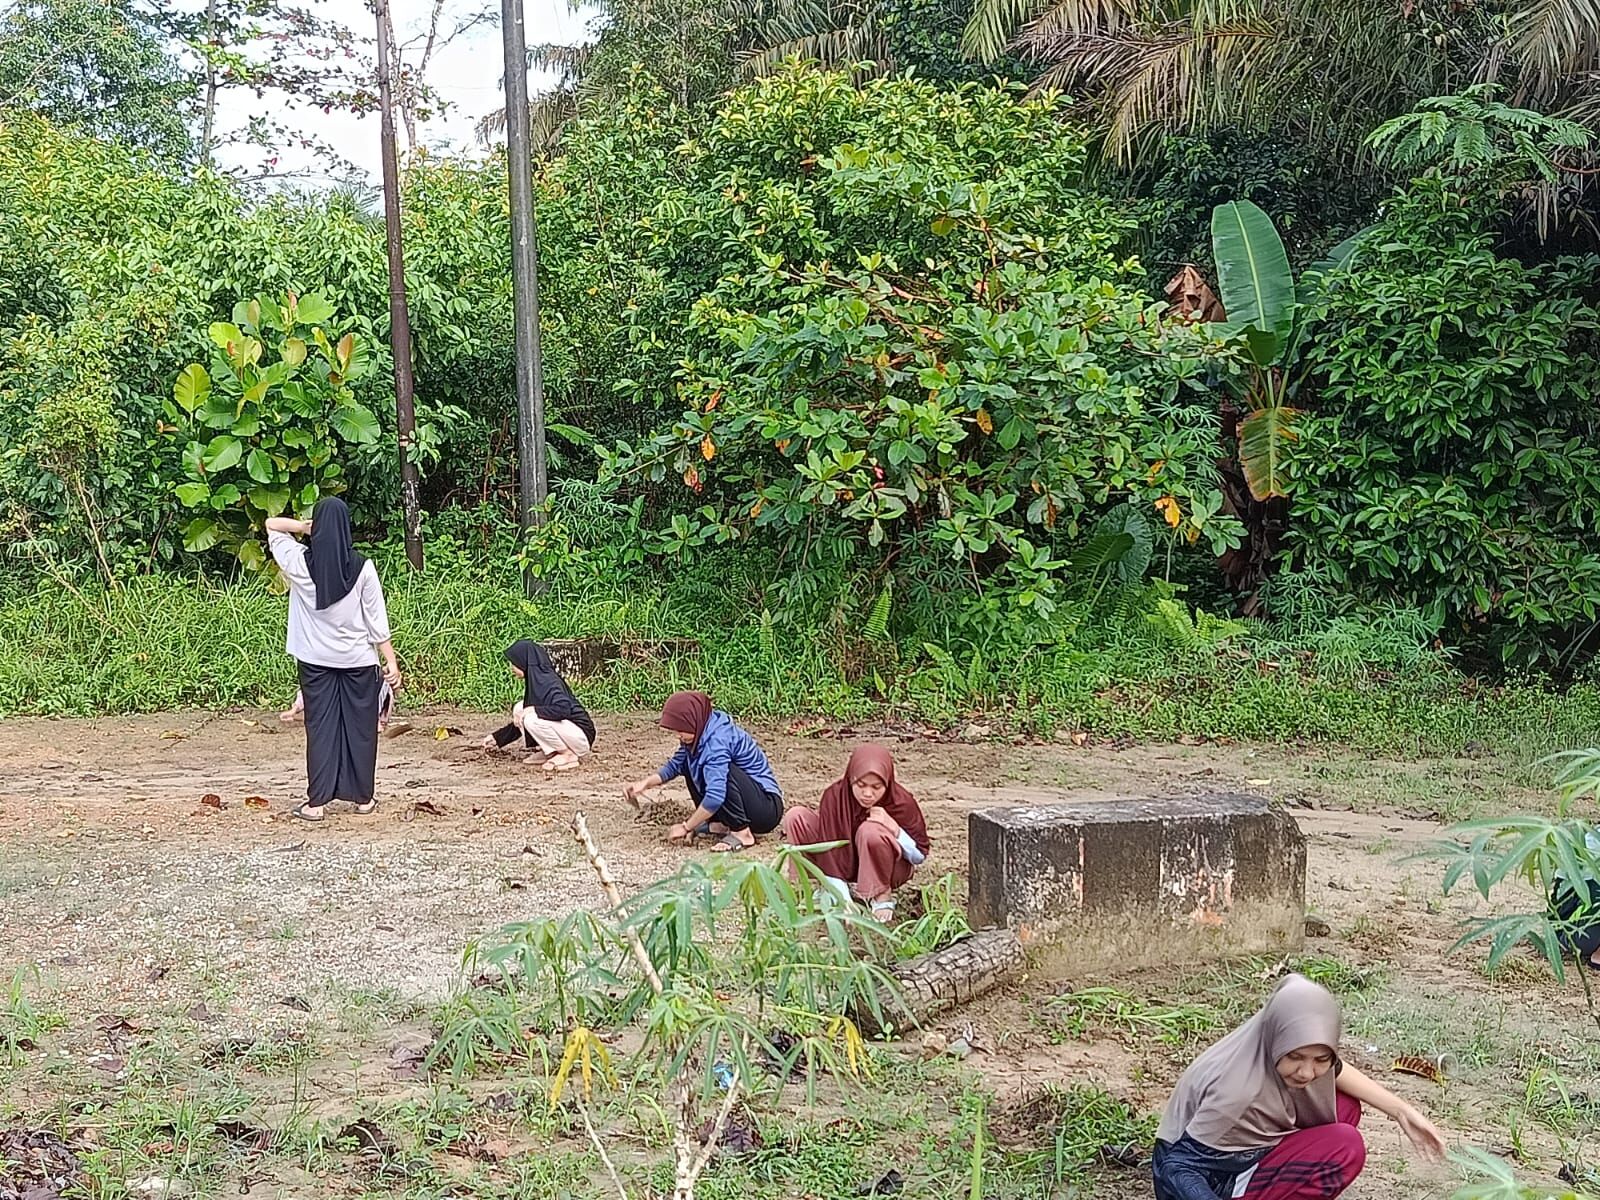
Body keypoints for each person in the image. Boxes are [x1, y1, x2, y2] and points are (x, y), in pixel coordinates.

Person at [1152, 973, 1446, 1200]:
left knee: (1342, 1104)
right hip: (1207, 1178)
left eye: (1320, 1058)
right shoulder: (1237, 1092)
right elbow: (1177, 1167)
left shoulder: (1269, 1041)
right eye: (1295, 1057)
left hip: (1236, 1150)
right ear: (1278, 1041)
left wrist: (1401, 1111)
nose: (1307, 1072)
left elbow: (1336, 1071)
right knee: (1344, 1146)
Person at [265, 497, 401, 822]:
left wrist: (302, 527)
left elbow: (271, 525)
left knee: (321, 729)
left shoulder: (298, 561)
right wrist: (391, 663)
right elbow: (376, 619)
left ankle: (317, 804)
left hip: (315, 662)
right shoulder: (363, 567)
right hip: (357, 661)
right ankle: (364, 799)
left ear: (319, 527)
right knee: (361, 729)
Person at [780, 744, 929, 921]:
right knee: (796, 817)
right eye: (861, 785)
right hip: (842, 861)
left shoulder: (901, 802)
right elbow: (830, 849)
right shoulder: (835, 797)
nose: (867, 794)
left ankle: (880, 894)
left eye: (876, 787)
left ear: (887, 783)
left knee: (870, 830)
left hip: (888, 868)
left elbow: (919, 855)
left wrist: (894, 829)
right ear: (851, 779)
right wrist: (844, 900)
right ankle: (827, 887)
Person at [621, 691, 783, 852]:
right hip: (747, 802)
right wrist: (645, 784)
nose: (678, 735)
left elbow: (715, 796)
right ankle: (720, 824)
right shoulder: (700, 731)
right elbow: (676, 765)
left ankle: (742, 833)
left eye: (681, 730)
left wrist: (686, 826)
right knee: (691, 763)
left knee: (720, 772)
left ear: (692, 721)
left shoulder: (717, 742)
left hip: (766, 809)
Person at [479, 640, 596, 771]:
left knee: (531, 717)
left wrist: (532, 709)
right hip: (567, 732)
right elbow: (521, 721)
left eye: (514, 662)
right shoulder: (537, 682)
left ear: (523, 663)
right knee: (521, 709)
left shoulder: (549, 682)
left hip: (580, 736)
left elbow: (564, 709)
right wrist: (498, 738)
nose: (511, 667)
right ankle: (551, 752)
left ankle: (566, 754)